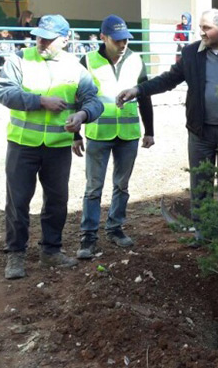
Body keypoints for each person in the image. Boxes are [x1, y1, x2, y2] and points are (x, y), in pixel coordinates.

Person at [116, 8, 218, 242]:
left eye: (206, 28)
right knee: (200, 184)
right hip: (200, 132)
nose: (201, 32)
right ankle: (203, 234)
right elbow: (169, 80)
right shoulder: (192, 53)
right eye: (201, 27)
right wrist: (138, 90)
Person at [0, 14, 104, 279]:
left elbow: (94, 101)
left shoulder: (76, 68)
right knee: (18, 202)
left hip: (57, 148)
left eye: (48, 38)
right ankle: (16, 255)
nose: (41, 41)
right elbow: (3, 92)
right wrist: (39, 101)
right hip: (22, 144)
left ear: (65, 40)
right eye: (39, 36)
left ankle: (51, 251)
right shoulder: (20, 59)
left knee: (57, 201)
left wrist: (82, 116)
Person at [72, 15, 155, 259]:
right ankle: (88, 235)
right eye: (117, 40)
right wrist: (76, 134)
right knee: (93, 187)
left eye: (126, 39)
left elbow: (145, 95)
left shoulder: (136, 60)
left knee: (122, 185)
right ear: (103, 38)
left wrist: (149, 130)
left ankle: (115, 227)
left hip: (128, 133)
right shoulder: (87, 61)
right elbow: (77, 97)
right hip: (98, 132)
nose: (123, 44)